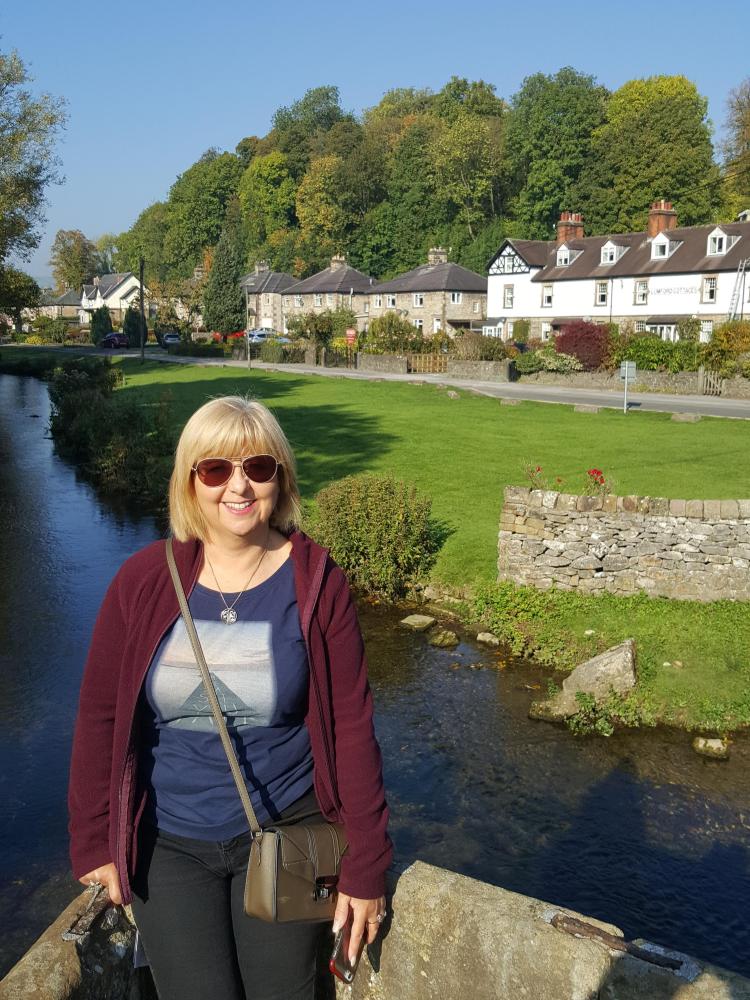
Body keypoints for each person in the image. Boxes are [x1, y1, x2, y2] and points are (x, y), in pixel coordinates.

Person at [68, 395, 392, 1000]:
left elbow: (352, 726)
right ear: (190, 481)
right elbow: (100, 716)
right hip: (168, 842)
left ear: (281, 478)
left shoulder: (316, 581)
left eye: (258, 468)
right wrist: (93, 841)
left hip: (284, 836)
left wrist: (367, 863)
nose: (238, 487)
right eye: (216, 469)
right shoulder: (143, 580)